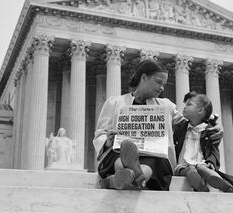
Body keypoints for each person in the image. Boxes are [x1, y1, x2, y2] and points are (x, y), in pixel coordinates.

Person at [93, 59, 223, 191]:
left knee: (155, 160)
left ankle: (123, 178)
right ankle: (135, 174)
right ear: (143, 77)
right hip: (119, 152)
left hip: (154, 156)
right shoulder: (114, 103)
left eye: (164, 84)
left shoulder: (167, 106)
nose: (162, 88)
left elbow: (191, 122)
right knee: (120, 155)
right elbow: (100, 134)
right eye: (159, 82)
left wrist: (211, 125)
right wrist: (108, 142)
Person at [174, 92, 233, 192]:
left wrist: (211, 162)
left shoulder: (210, 130)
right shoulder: (180, 128)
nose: (184, 107)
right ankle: (201, 188)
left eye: (189, 104)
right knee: (190, 170)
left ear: (200, 110)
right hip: (183, 165)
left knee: (203, 169)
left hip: (202, 163)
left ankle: (223, 184)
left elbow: (214, 150)